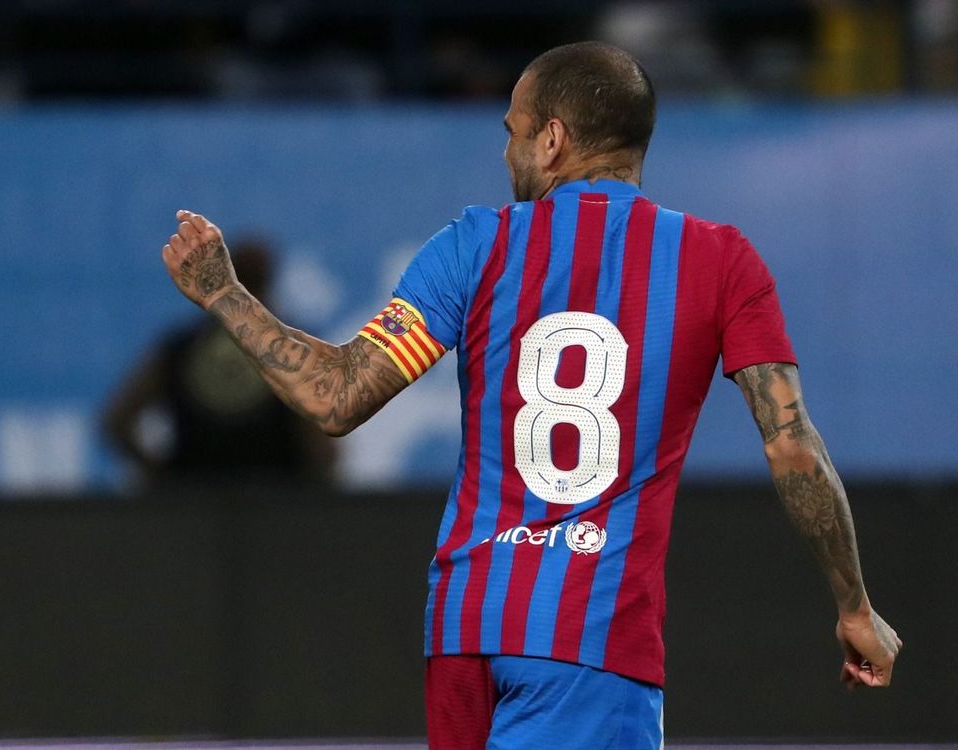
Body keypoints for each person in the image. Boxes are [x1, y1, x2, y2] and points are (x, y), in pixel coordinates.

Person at [159, 41, 901, 750]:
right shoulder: (721, 262)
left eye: (512, 131)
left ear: (552, 141)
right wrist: (854, 606)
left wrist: (224, 294)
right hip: (591, 639)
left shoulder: (472, 246)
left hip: (464, 630)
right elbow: (792, 449)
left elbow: (337, 397)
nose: (506, 151)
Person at [107, 241, 335, 489]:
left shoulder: (182, 347)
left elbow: (117, 421)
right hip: (273, 499)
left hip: (192, 497)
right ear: (269, 282)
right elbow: (321, 451)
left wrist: (161, 476)